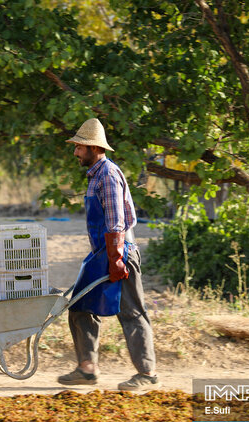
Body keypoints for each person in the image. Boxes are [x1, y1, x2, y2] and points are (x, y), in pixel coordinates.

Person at [57, 118, 159, 391]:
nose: (76, 152)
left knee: (131, 312)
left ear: (93, 148)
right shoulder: (95, 176)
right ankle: (87, 369)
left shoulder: (108, 175)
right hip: (103, 252)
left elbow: (116, 223)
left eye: (79, 147)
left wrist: (116, 259)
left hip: (119, 250)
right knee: (79, 306)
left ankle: (147, 373)